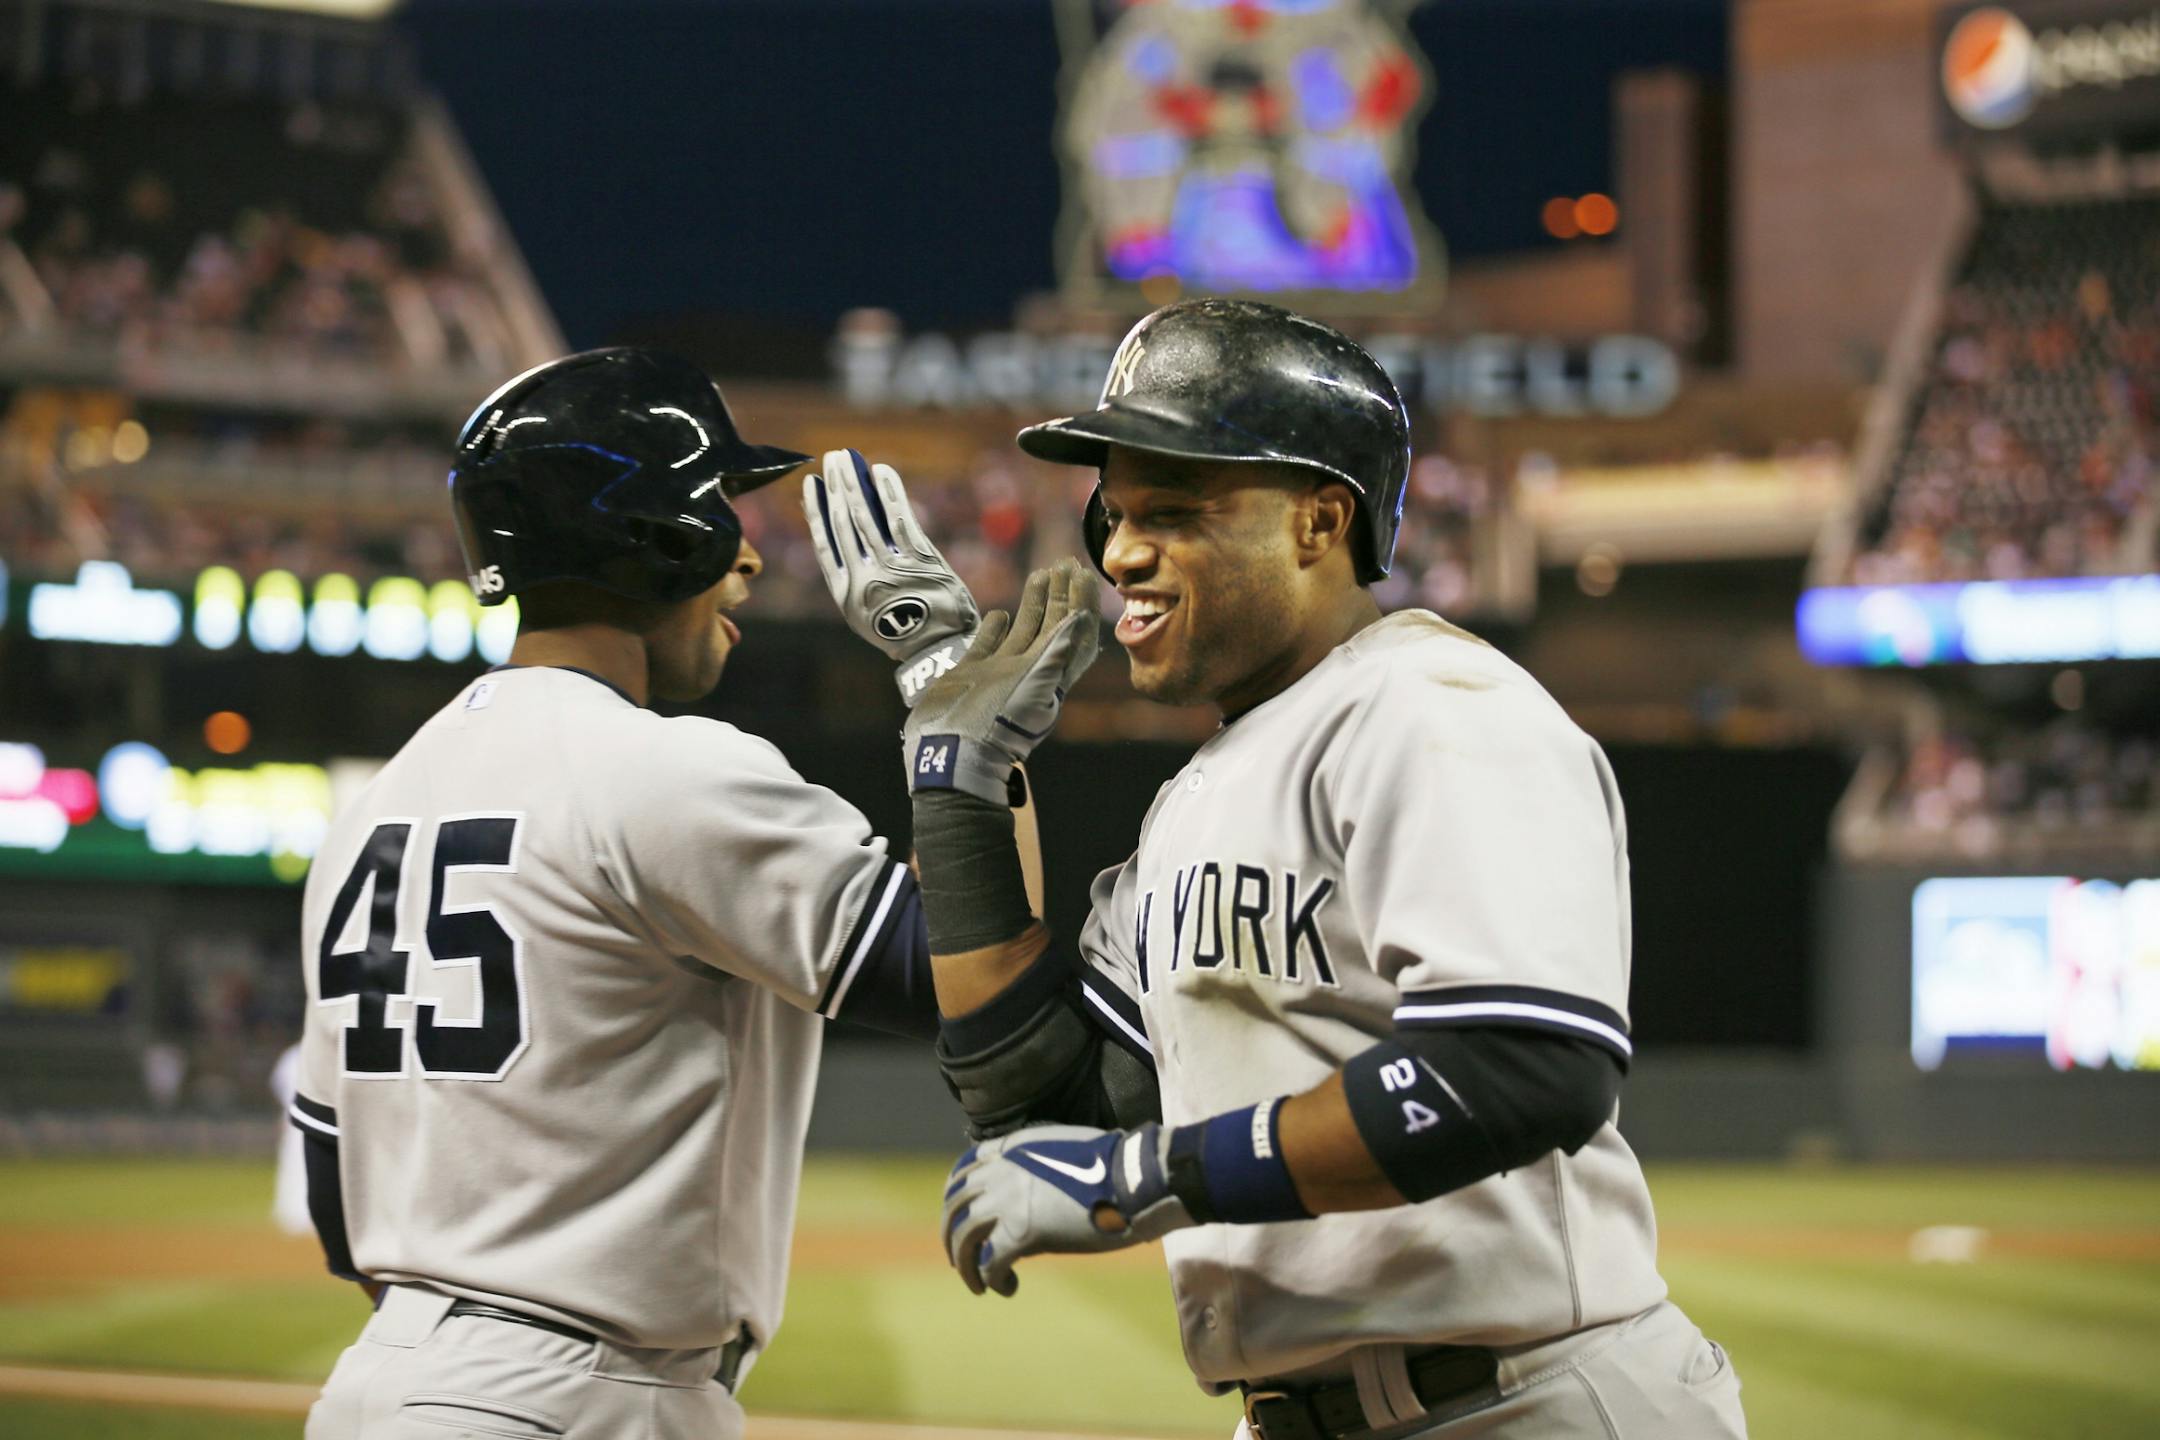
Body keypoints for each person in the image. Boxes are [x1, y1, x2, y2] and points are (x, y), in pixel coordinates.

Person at [815, 300, 1747, 1439]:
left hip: (1523, 1401)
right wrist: (957, 780)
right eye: (1113, 514)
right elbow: (1043, 1102)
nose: (1118, 553)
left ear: (1320, 519)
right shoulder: (1197, 798)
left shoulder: (1435, 708)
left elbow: (1522, 1067)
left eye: (1175, 511)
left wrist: (1144, 1177)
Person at [293, 349, 989, 1440]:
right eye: (723, 507)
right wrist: (955, 689)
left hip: (375, 1389)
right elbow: (973, 976)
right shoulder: (666, 770)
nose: (747, 556)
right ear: (660, 536)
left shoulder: (369, 813)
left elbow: (338, 1205)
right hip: (572, 1397)